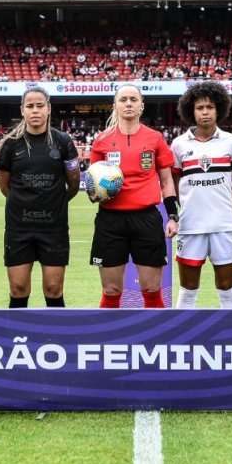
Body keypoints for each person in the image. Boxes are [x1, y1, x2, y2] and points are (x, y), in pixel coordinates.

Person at [89, 83, 179, 308]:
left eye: (133, 100)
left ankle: (157, 338)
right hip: (110, 220)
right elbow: (92, 182)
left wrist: (172, 216)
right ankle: (109, 339)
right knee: (111, 290)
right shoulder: (102, 140)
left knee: (151, 289)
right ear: (115, 106)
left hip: (146, 219)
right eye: (123, 100)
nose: (128, 104)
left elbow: (167, 181)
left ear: (141, 106)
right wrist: (95, 194)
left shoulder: (155, 138)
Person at [0, 86, 80, 308]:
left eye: (40, 106)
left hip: (54, 228)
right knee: (18, 289)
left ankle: (56, 338)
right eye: (30, 106)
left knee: (54, 290)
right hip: (18, 228)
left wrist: (53, 202)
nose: (35, 110)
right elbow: (5, 187)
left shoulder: (63, 141)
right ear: (22, 110)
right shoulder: (10, 144)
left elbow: (73, 184)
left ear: (49, 109)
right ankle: (16, 341)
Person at [170, 81, 232, 308]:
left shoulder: (231, 143)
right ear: (191, 111)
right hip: (190, 227)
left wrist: (224, 208)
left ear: (219, 109)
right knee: (188, 290)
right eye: (200, 108)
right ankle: (182, 340)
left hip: (224, 227)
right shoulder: (179, 145)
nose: (205, 112)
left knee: (227, 289)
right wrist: (181, 211)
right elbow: (172, 185)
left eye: (210, 107)